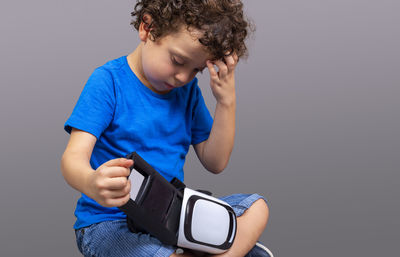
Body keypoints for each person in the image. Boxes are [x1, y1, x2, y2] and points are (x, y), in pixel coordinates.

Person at [61, 0, 272, 256]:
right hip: (109, 223)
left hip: (172, 219)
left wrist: (226, 102)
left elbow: (215, 161)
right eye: (177, 60)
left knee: (256, 208)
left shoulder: (187, 92)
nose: (183, 77)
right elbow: (72, 159)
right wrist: (92, 181)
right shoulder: (109, 82)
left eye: (195, 70)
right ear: (147, 28)